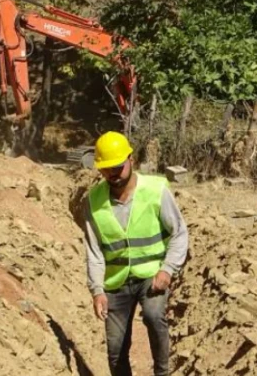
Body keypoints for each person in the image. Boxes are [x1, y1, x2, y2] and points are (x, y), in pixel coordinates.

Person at [83, 131, 188, 376]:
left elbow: (180, 233)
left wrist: (168, 269)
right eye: (106, 169)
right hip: (116, 281)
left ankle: (162, 372)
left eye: (117, 167)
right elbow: (94, 249)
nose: (113, 174)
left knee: (153, 316)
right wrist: (97, 290)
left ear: (131, 159)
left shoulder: (156, 190)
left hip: (151, 275)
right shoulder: (93, 200)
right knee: (116, 348)